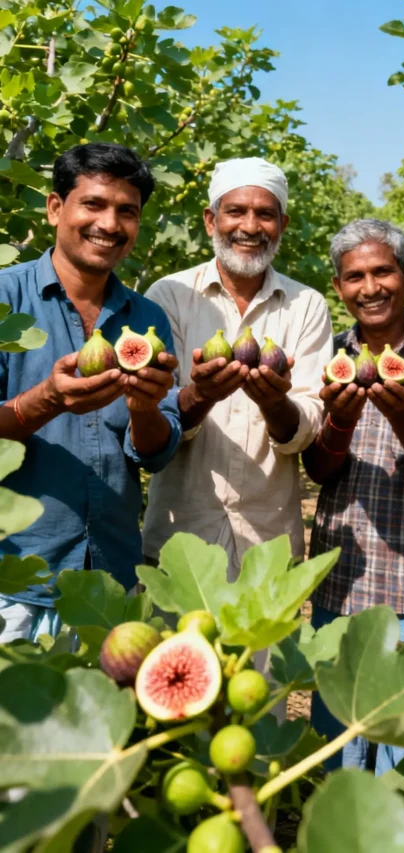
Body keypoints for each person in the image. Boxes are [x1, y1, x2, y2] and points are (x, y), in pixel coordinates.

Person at [302, 218, 404, 771]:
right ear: (339, 287)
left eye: (382, 272)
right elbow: (320, 470)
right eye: (354, 277)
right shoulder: (325, 354)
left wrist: (402, 416)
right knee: (338, 755)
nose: (369, 287)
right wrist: (341, 424)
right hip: (341, 583)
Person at [0, 143, 182, 642]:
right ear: (56, 208)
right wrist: (46, 401)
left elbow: (154, 454)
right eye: (94, 204)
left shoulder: (148, 320)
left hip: (112, 582)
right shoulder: (3, 298)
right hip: (14, 581)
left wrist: (145, 409)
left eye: (127, 212)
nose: (110, 223)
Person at [142, 156, 333, 578]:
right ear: (211, 220)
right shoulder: (169, 295)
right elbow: (153, 415)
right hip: (181, 541)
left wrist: (274, 403)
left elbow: (307, 426)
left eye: (265, 214)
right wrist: (200, 394)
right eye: (236, 211)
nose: (250, 226)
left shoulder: (307, 306)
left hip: (267, 543)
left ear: (282, 223)